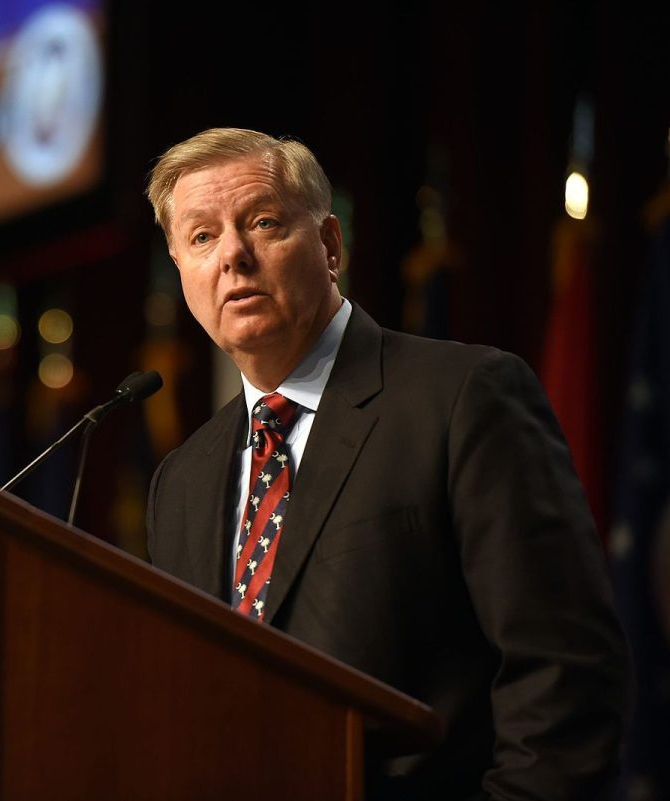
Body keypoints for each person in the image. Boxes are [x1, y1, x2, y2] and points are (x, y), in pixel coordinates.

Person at [143, 127, 630, 800]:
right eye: (201, 237)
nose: (233, 254)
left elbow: (566, 672)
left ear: (331, 245)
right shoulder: (182, 482)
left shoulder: (461, 397)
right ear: (181, 269)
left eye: (262, 222)